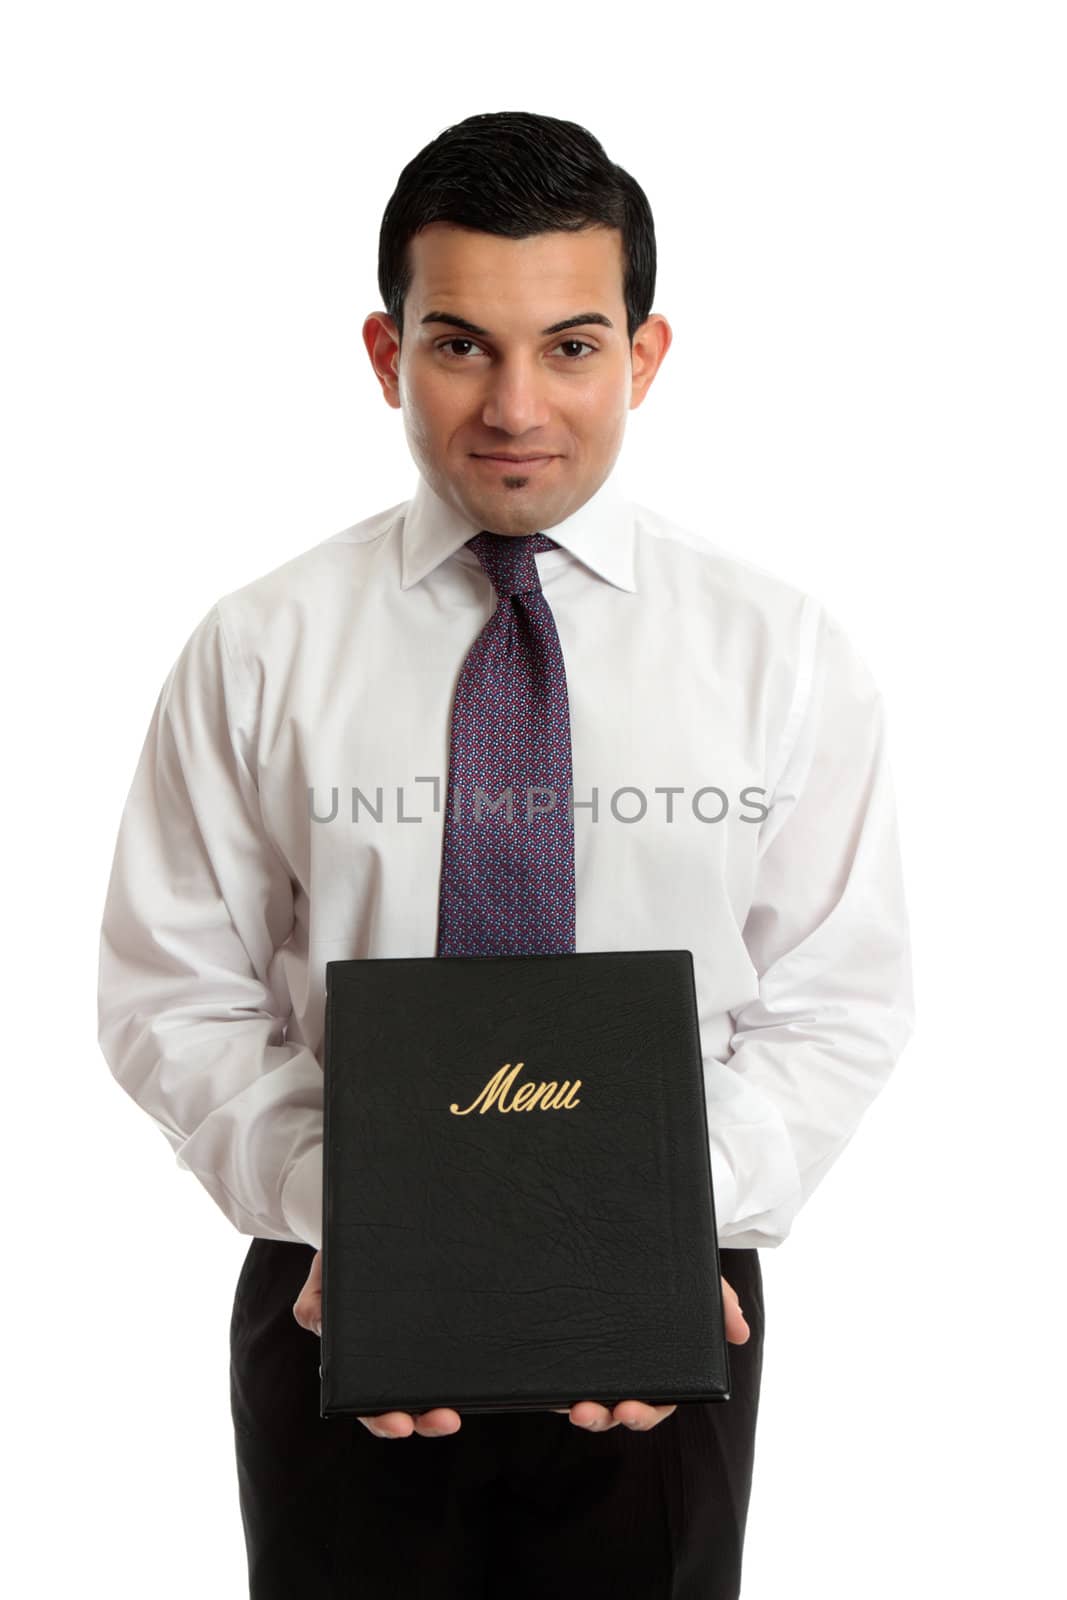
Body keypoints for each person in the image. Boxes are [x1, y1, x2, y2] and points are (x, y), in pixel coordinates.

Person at [97, 109, 914, 1599]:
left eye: (573, 346)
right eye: (461, 344)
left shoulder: (779, 653)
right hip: (336, 1291)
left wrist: (659, 1226)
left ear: (646, 357)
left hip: (670, 1318)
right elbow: (175, 991)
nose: (515, 404)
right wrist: (359, 1208)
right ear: (383, 352)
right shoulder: (260, 647)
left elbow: (831, 1001)